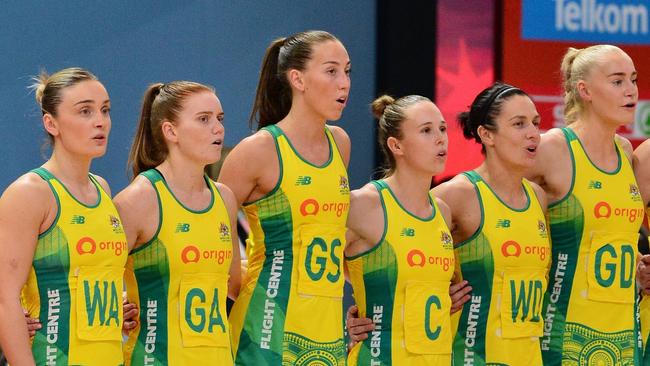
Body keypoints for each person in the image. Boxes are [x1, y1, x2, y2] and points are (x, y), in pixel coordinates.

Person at [219, 30, 351, 364]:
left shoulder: (340, 144)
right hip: (266, 326)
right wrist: (239, 280)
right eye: (331, 71)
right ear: (298, 79)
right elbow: (209, 228)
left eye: (347, 71)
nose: (344, 83)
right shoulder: (259, 150)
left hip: (327, 327)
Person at [0, 67, 127, 365]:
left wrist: (117, 309)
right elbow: (5, 298)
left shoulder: (103, 190)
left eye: (105, 110)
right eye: (85, 111)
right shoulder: (31, 193)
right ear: (51, 123)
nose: (101, 121)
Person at [527, 45, 642, 365]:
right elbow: (487, 201)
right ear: (585, 90)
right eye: (617, 81)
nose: (631, 90)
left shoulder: (625, 151)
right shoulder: (552, 147)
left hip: (623, 338)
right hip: (563, 338)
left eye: (633, 79)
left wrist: (637, 269)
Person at [115, 81, 241, 365]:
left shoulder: (224, 198)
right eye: (204, 119)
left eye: (219, 119)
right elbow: (92, 278)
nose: (218, 128)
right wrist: (115, 308)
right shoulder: (139, 199)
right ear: (170, 131)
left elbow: (236, 284)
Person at [344, 94, 468, 365]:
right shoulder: (364, 204)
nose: (440, 139)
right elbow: (320, 270)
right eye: (426, 130)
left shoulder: (442, 212)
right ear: (396, 145)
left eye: (442, 129)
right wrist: (350, 320)